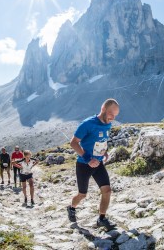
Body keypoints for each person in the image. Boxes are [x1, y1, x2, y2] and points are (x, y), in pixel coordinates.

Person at [67, 98, 120, 231]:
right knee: (82, 194)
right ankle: (71, 208)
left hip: (99, 163)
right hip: (84, 165)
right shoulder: (87, 124)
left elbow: (101, 139)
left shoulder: (108, 124)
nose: (113, 118)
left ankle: (101, 219)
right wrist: (88, 158)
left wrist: (104, 151)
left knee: (107, 190)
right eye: (111, 114)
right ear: (103, 109)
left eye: (115, 115)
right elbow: (73, 143)